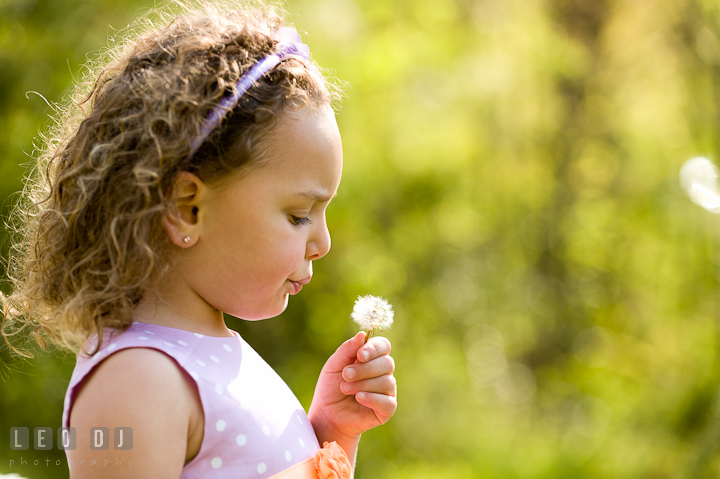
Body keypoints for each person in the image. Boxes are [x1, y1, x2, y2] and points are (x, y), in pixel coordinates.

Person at [0, 1, 397, 477]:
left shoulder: (216, 357)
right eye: (298, 215)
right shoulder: (139, 381)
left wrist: (331, 432)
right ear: (186, 209)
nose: (324, 242)